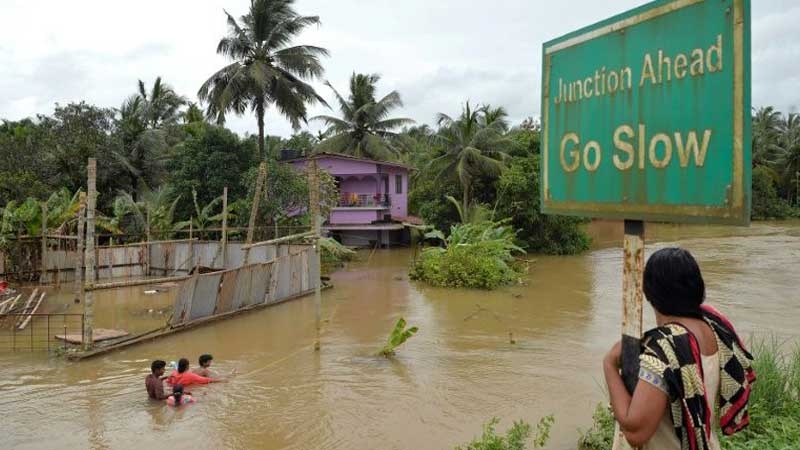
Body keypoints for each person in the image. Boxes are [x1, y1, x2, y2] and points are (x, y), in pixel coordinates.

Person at [603, 247, 756, 450]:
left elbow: (635, 432)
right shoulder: (713, 326)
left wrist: (609, 364)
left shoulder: (664, 350)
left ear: (649, 293)